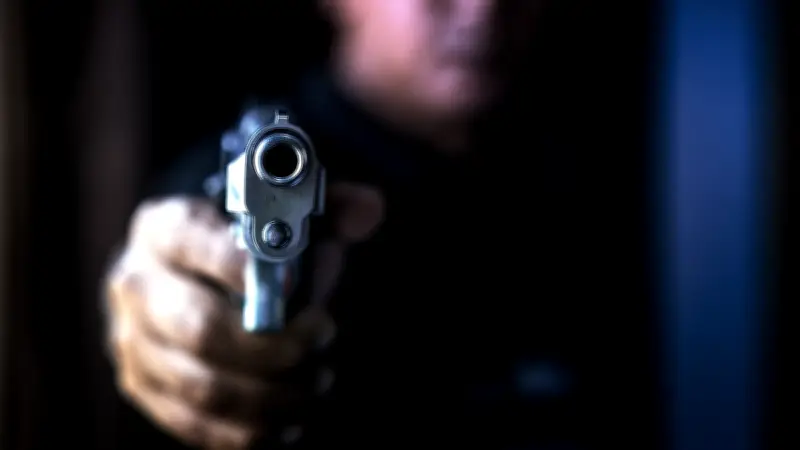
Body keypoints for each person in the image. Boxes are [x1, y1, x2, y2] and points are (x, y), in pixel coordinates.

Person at [104, 1, 654, 449]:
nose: (483, 9)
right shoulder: (257, 168)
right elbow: (172, 266)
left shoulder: (589, 168)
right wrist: (168, 329)